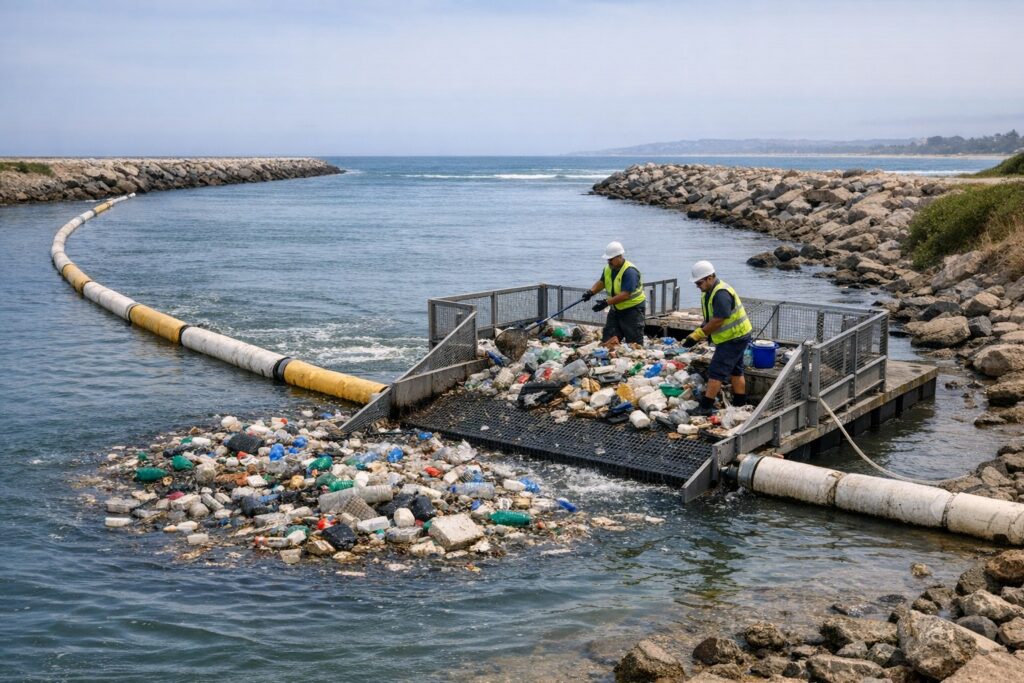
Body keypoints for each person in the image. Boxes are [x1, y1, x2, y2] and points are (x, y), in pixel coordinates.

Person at [683, 260, 753, 416]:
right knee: (736, 369)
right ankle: (740, 403)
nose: (697, 286)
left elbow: (718, 320)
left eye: (699, 282)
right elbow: (710, 318)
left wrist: (698, 335)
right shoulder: (708, 292)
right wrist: (700, 330)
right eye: (696, 283)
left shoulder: (721, 293)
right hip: (736, 336)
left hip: (734, 337)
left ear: (710, 277)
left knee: (716, 371)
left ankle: (706, 407)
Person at [581, 241, 647, 346]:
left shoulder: (630, 272)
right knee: (608, 339)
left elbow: (626, 294)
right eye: (608, 259)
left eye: (611, 259)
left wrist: (606, 303)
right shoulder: (608, 269)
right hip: (616, 309)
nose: (609, 262)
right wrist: (590, 292)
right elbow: (602, 282)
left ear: (619, 256)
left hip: (633, 310)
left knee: (634, 343)